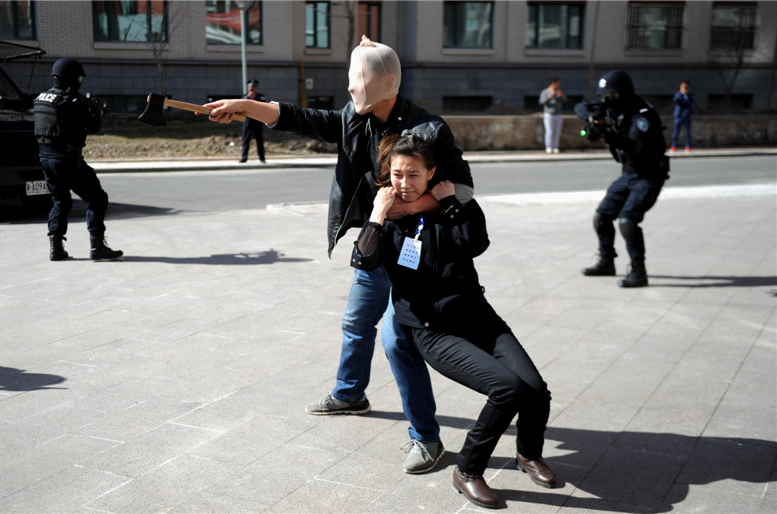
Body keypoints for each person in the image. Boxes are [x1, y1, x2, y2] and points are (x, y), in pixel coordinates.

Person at [204, 36, 475, 474]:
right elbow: (298, 117)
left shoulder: (429, 131)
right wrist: (244, 104)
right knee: (355, 321)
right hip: (375, 245)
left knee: (396, 339)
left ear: (386, 82)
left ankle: (426, 438)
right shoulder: (354, 118)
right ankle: (350, 394)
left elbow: (461, 190)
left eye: (358, 78)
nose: (350, 88)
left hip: (416, 251)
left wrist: (396, 208)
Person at [352, 134, 556, 509]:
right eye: (397, 174)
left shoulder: (452, 207)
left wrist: (448, 200)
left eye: (414, 175)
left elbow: (475, 243)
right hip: (433, 329)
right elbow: (363, 261)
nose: (404, 183)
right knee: (508, 389)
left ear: (431, 173)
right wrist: (377, 216)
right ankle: (467, 471)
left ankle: (528, 453)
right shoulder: (388, 221)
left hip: (478, 317)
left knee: (536, 390)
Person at [576, 70, 669, 288]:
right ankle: (606, 261)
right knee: (602, 216)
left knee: (627, 220)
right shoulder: (611, 108)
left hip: (649, 175)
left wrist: (607, 135)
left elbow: (635, 147)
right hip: (628, 174)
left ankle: (639, 271)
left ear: (625, 93)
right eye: (605, 97)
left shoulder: (643, 115)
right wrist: (593, 118)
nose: (608, 101)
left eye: (612, 96)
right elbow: (580, 107)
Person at [33, 57, 123, 262]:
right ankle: (98, 246)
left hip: (46, 159)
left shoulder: (40, 98)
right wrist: (98, 114)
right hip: (67, 159)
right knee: (97, 198)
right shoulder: (72, 102)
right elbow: (93, 126)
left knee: (60, 202)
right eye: (80, 77)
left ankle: (56, 248)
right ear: (74, 78)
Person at [240, 79, 267, 163]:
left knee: (259, 140)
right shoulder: (244, 97)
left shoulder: (260, 97)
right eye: (251, 87)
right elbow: (241, 106)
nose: (252, 88)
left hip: (258, 121)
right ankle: (244, 157)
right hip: (247, 122)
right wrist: (249, 97)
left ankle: (262, 158)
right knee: (246, 140)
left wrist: (253, 98)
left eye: (254, 87)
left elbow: (263, 105)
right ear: (248, 87)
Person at [539, 78, 567, 154]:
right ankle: (549, 147)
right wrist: (549, 97)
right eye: (557, 83)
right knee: (549, 131)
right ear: (553, 83)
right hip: (549, 114)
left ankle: (555, 146)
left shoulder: (559, 91)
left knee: (557, 131)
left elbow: (565, 100)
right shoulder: (545, 92)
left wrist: (560, 96)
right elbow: (541, 101)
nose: (558, 85)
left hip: (558, 114)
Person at [671, 80, 695, 153]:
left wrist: (686, 94)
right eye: (682, 87)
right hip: (678, 115)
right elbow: (675, 100)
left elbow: (690, 101)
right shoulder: (678, 94)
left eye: (686, 87)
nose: (684, 88)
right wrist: (681, 94)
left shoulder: (690, 95)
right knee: (676, 132)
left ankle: (688, 147)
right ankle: (673, 147)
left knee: (687, 133)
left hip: (686, 115)